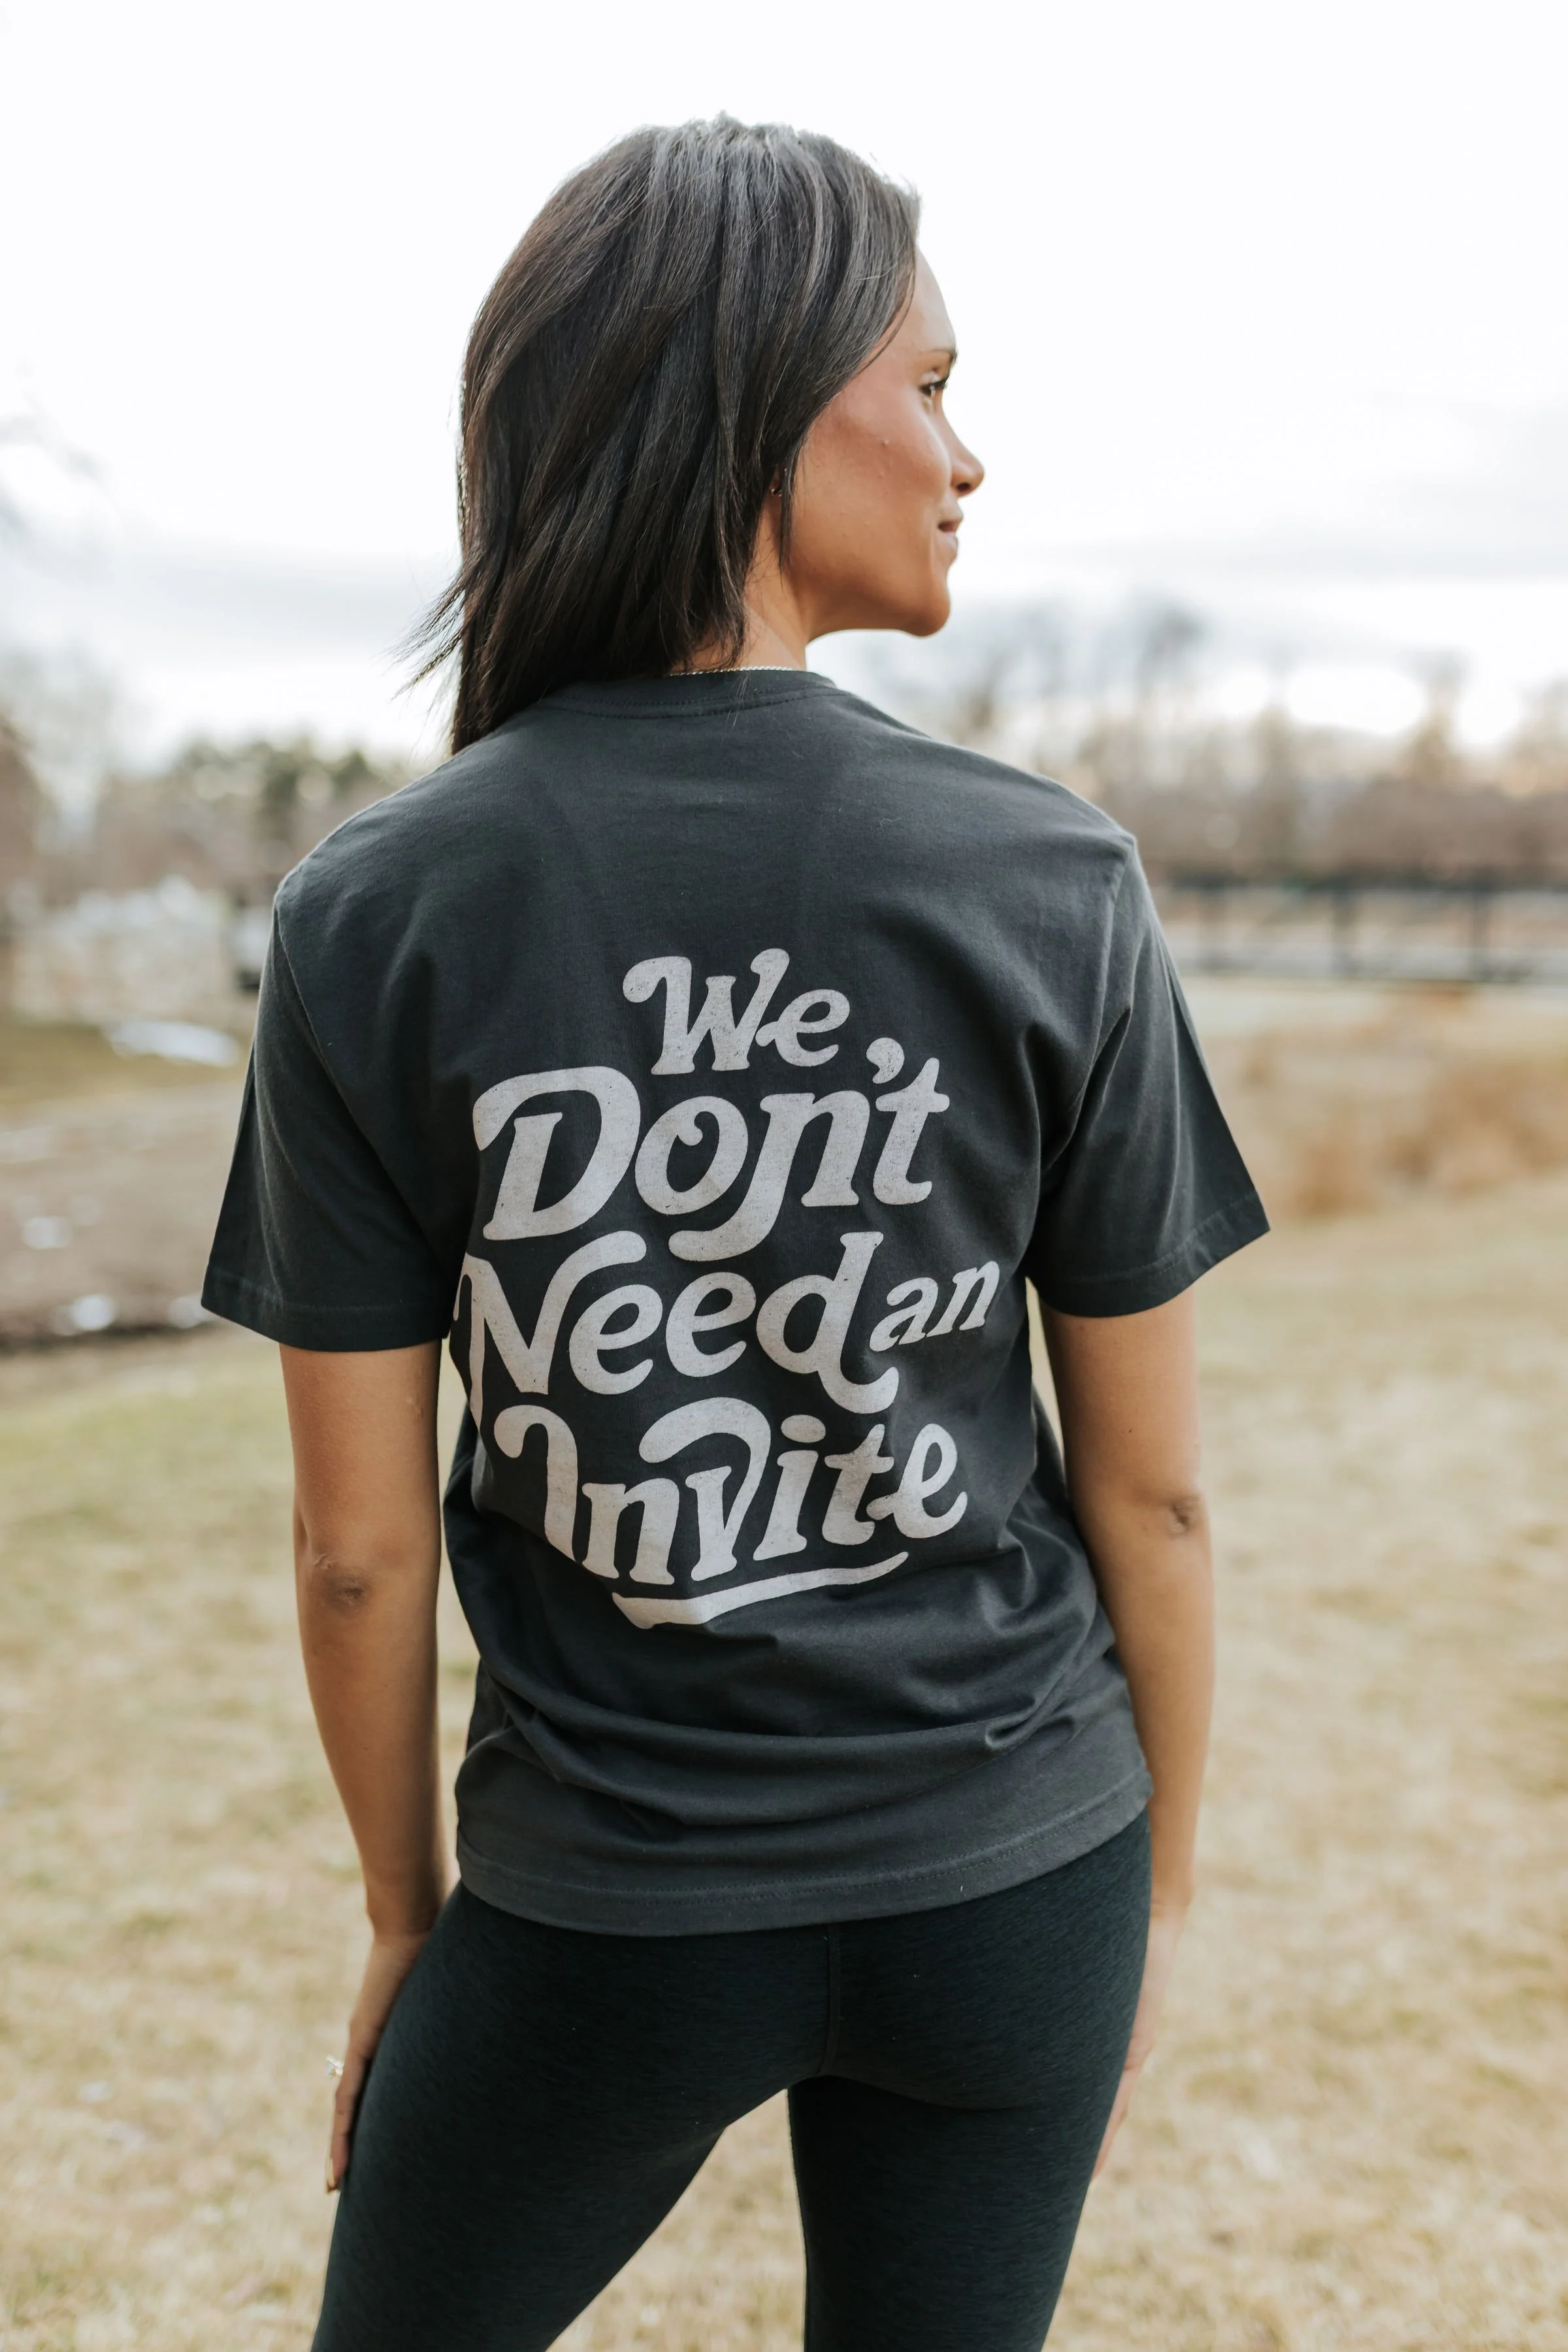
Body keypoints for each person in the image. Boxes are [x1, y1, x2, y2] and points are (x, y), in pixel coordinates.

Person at [203, 115, 1268, 2352]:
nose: (971, 454)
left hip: (605, 1907)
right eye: (935, 384)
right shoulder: (1053, 881)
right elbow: (1154, 1489)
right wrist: (1148, 1887)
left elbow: (357, 1551)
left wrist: (407, 1917)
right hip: (1022, 1874)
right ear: (761, 400)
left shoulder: (376, 914)